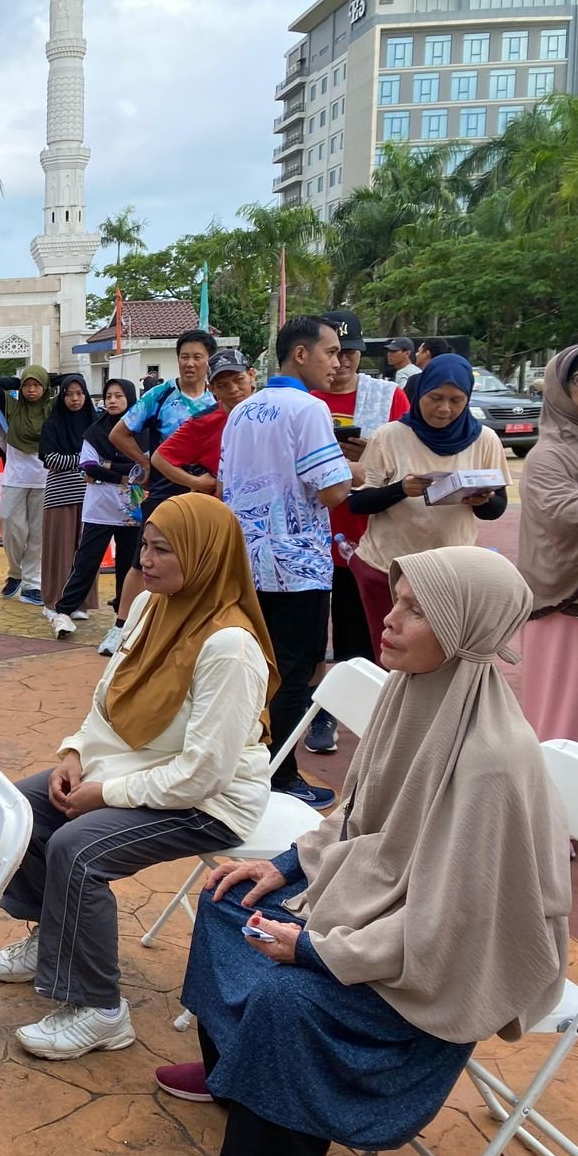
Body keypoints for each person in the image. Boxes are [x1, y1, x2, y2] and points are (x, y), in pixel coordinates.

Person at [164, 547, 571, 1156]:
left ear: (464, 629)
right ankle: (235, 1079)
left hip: (434, 965)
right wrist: (287, 866)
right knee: (225, 904)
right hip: (379, 909)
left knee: (287, 1002)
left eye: (415, 609)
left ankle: (263, 1147)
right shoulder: (411, 696)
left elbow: (458, 923)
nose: (388, 617)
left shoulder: (493, 761)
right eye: (397, 599)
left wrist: (320, 953)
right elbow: (357, 818)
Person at [0, 495, 276, 1061]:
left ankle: (100, 1010)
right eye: (145, 544)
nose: (145, 560)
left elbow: (204, 774)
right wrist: (74, 755)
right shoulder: (149, 608)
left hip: (209, 802)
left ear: (207, 557)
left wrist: (104, 793)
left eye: (164, 550)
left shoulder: (230, 648)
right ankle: (51, 935)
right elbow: (107, 701)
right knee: (27, 804)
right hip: (136, 768)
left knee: (78, 849)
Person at [219, 317, 355, 809]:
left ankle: (247, 767)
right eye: (331, 352)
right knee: (295, 674)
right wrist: (351, 470)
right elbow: (332, 489)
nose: (337, 362)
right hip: (297, 568)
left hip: (247, 563)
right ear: (300, 355)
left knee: (254, 670)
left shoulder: (242, 410)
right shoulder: (310, 409)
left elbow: (225, 482)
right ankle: (280, 777)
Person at [347, 354, 510, 659]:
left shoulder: (485, 440)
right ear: (420, 392)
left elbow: (496, 507)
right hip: (388, 570)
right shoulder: (390, 436)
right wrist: (400, 489)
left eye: (456, 400)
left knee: (442, 657)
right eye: (435, 397)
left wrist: (481, 500)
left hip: (450, 571)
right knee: (390, 659)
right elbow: (358, 502)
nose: (444, 408)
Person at [303, 312, 410, 755]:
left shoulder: (389, 398)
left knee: (358, 634)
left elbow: (407, 460)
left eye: (350, 352)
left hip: (365, 538)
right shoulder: (303, 400)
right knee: (309, 635)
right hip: (308, 535)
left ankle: (364, 715)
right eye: (334, 352)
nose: (342, 361)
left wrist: (371, 456)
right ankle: (319, 710)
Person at [100, 329, 221, 656]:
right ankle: (120, 626)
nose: (190, 364)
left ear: (208, 361)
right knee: (145, 557)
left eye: (197, 357)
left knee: (198, 556)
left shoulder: (218, 399)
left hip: (208, 487)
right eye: (185, 357)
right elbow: (119, 433)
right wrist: (145, 462)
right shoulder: (161, 395)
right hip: (166, 484)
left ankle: (187, 625)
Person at [518, 346, 578, 744]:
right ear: (561, 389)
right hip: (565, 607)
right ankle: (557, 802)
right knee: (561, 724)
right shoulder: (550, 453)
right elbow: (566, 513)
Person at [51, 378, 141, 637]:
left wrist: (109, 468)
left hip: (132, 511)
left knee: (129, 564)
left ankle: (123, 617)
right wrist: (125, 473)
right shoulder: (94, 432)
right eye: (109, 396)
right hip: (99, 509)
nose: (112, 401)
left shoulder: (142, 430)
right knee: (86, 562)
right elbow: (88, 467)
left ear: (130, 399)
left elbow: (146, 467)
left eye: (119, 396)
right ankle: (64, 612)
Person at [0, 368, 54, 606]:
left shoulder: (52, 408)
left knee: (38, 533)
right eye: (27, 386)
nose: (31, 391)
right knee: (9, 522)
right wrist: (21, 379)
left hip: (44, 478)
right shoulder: (11, 407)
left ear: (45, 388)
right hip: (15, 477)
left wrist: (47, 377)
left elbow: (76, 382)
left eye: (37, 385)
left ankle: (32, 582)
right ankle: (16, 572)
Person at [147, 349, 256, 500]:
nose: (233, 389)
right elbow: (159, 459)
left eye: (239, 379)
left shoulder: (272, 410)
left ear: (251, 375)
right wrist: (197, 482)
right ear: (212, 389)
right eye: (222, 385)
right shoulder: (203, 422)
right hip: (222, 512)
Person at [39, 372, 97, 634]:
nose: (75, 399)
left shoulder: (95, 424)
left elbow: (100, 458)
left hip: (90, 496)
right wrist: (83, 461)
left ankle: (81, 601)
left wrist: (78, 461)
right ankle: (53, 600)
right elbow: (51, 460)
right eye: (69, 394)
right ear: (61, 397)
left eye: (79, 393)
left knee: (85, 550)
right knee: (59, 549)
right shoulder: (52, 425)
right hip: (60, 495)